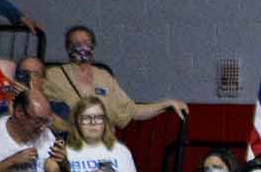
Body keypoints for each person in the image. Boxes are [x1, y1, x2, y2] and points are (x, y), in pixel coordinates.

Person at [44, 24, 185, 134]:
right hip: (70, 146)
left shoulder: (104, 77)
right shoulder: (54, 75)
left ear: (93, 47)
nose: (82, 47)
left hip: (103, 146)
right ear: (68, 48)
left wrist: (166, 103)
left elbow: (133, 111)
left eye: (86, 42)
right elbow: (40, 110)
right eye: (76, 43)